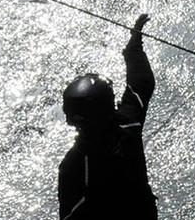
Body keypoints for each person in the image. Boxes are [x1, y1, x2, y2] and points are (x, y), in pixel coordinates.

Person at [59, 14, 158, 220]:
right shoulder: (128, 123)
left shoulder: (74, 164)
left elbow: (68, 216)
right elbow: (141, 83)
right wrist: (134, 46)